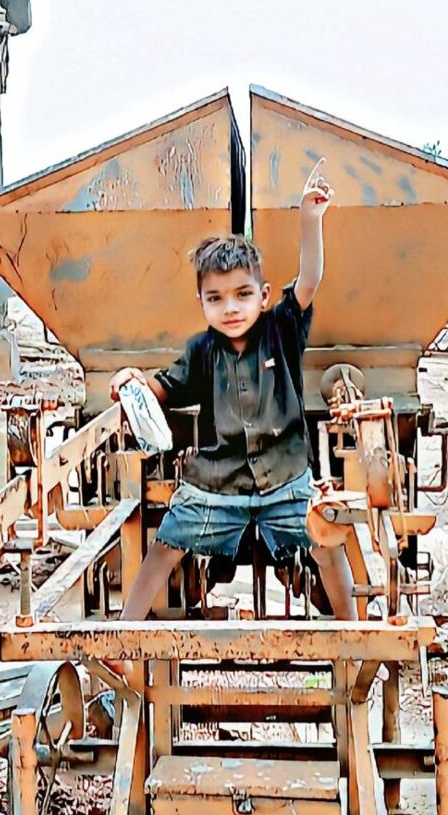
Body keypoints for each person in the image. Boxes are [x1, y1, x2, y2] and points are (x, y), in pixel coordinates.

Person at [109, 158, 356, 622]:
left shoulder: (281, 328)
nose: (231, 308)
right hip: (215, 487)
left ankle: (356, 638)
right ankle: (122, 637)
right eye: (216, 298)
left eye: (243, 294)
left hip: (286, 481)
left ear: (264, 296)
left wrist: (309, 219)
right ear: (201, 303)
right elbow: (164, 387)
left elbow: (310, 279)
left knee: (328, 540)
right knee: (165, 545)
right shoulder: (201, 350)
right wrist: (132, 381)